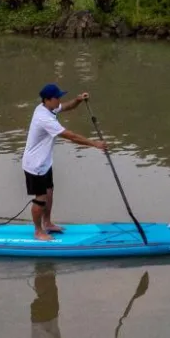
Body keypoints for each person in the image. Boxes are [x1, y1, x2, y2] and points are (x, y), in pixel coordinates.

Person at [23, 84, 105, 241]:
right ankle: (38, 231)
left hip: (45, 162)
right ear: (47, 100)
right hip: (35, 165)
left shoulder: (47, 107)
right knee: (40, 199)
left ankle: (47, 223)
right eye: (57, 97)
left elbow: (66, 106)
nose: (59, 100)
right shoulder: (44, 118)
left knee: (49, 193)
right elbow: (71, 136)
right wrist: (95, 144)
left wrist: (78, 100)